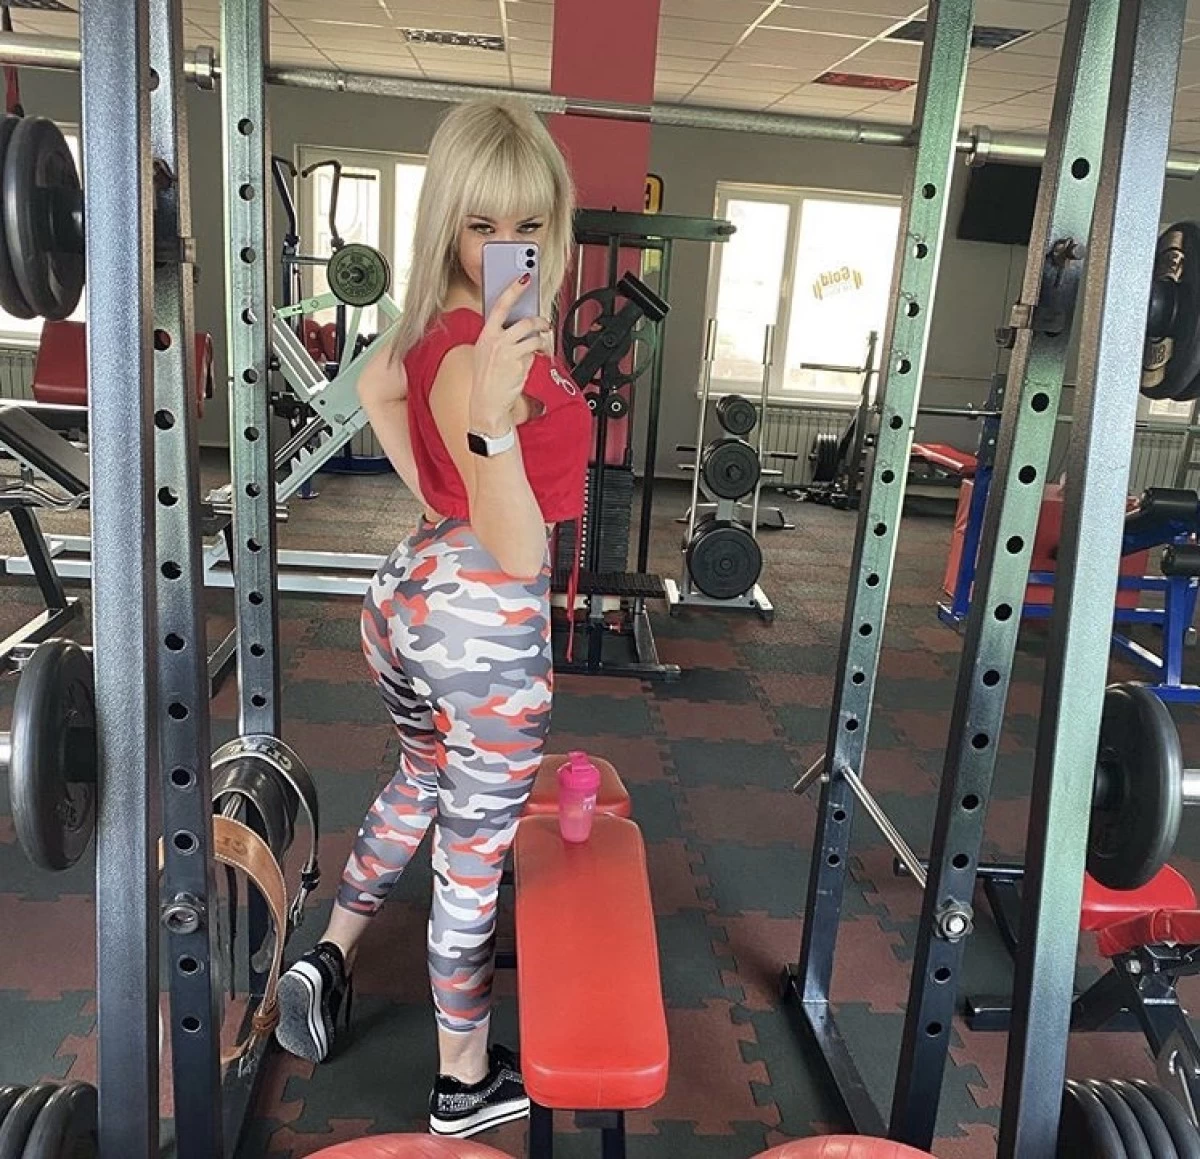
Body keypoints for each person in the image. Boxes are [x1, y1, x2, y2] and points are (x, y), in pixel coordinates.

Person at [273, 99, 590, 1139]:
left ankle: (331, 953)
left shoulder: (446, 328)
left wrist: (452, 480)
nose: (508, 247)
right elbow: (522, 548)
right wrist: (492, 429)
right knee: (474, 848)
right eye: (481, 225)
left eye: (529, 225)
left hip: (408, 591)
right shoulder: (475, 357)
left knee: (419, 776)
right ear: (445, 221)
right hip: (483, 624)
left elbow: (378, 389)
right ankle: (462, 1080)